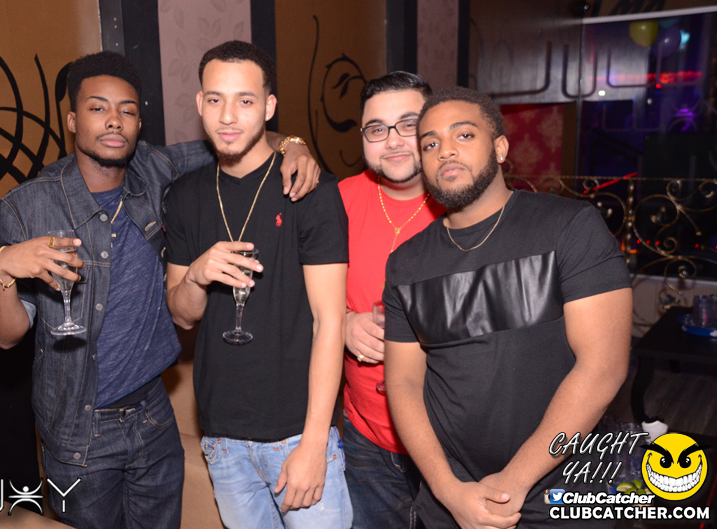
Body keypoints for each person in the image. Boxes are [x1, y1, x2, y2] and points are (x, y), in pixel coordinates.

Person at [0, 51, 318, 529]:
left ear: (139, 123)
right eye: (97, 108)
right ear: (73, 121)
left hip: (153, 414)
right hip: (78, 431)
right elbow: (5, 336)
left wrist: (296, 146)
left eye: (128, 110)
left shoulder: (154, 168)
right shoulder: (28, 207)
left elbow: (242, 136)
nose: (114, 121)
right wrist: (4, 268)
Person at [384, 86, 633, 529]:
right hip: (451, 494)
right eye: (430, 143)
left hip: (562, 489)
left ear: (500, 148)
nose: (445, 151)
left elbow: (603, 368)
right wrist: (447, 489)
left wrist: (512, 483)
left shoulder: (569, 227)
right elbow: (403, 383)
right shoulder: (406, 262)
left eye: (464, 135)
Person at [164, 40, 351, 529]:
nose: (228, 116)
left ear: (269, 107)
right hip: (222, 437)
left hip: (297, 434)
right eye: (215, 99)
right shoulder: (183, 196)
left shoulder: (310, 190)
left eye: (245, 100)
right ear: (199, 102)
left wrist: (314, 444)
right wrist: (197, 273)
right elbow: (182, 314)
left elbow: (330, 322)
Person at [339, 71, 443, 529]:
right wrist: (343, 322)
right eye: (377, 128)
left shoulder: (465, 204)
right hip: (365, 439)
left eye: (409, 124)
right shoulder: (336, 201)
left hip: (450, 439)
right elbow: (296, 297)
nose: (394, 140)